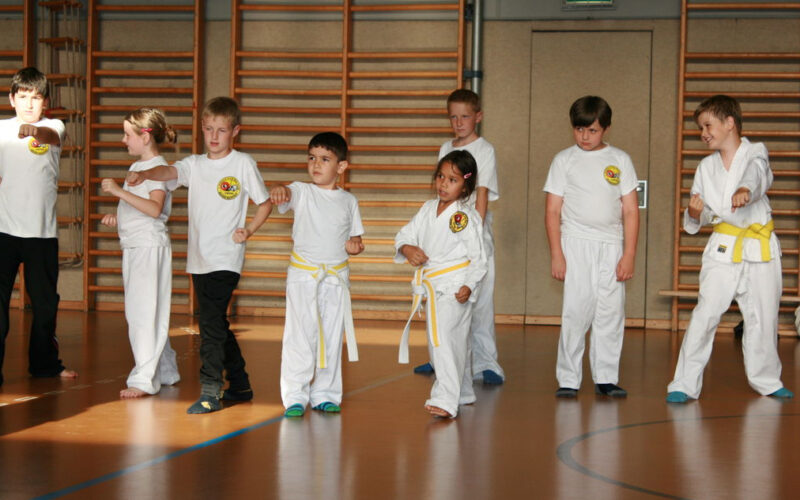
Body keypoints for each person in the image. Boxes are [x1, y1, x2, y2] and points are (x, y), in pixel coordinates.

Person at [127, 97, 272, 413]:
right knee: (216, 322)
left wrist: (248, 230)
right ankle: (241, 384)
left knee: (208, 325)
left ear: (235, 131)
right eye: (209, 129)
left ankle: (210, 390)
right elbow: (168, 172)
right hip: (200, 259)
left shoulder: (243, 164)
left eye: (221, 130)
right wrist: (146, 174)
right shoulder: (194, 165)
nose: (215, 136)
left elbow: (265, 202)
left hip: (226, 258)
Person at [666, 95, 793, 403]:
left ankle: (767, 380)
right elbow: (704, 212)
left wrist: (746, 189)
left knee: (763, 316)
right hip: (723, 248)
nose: (703, 133)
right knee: (705, 313)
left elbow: (758, 175)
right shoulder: (705, 167)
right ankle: (683, 383)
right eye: (700, 128)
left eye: (708, 125)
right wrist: (695, 214)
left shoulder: (755, 152)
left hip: (759, 248)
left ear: (729, 123)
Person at [543, 95, 638, 399]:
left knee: (610, 313)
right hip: (576, 243)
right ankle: (569, 378)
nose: (585, 137)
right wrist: (557, 254)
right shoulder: (563, 160)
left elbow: (631, 211)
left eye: (592, 130)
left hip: (611, 245)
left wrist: (629, 254)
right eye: (579, 130)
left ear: (606, 129)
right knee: (576, 311)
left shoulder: (620, 160)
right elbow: (553, 211)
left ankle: (606, 377)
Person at [270, 132, 364, 418]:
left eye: (325, 159)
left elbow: (356, 239)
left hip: (336, 278)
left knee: (332, 335)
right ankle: (295, 395)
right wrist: (278, 189)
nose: (316, 165)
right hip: (303, 275)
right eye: (312, 158)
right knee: (300, 335)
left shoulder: (349, 201)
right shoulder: (301, 190)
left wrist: (355, 246)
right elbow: (283, 193)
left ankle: (325, 393)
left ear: (341, 166)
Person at [414, 88, 505, 385]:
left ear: (478, 117)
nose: (459, 122)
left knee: (477, 300)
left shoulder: (484, 150)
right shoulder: (445, 147)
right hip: (445, 236)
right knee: (440, 297)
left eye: (465, 116)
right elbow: (443, 188)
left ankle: (486, 362)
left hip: (472, 232)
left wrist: (472, 235)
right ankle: (436, 355)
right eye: (453, 117)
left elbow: (480, 194)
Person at [0, 67, 78, 386]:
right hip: (4, 232)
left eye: (35, 98)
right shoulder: (2, 129)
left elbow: (51, 138)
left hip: (41, 235)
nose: (29, 104)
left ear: (45, 101)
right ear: (11, 99)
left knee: (45, 306)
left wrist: (33, 132)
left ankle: (45, 365)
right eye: (23, 97)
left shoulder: (52, 126)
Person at [395, 150, 487, 418]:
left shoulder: (463, 218)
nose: (444, 184)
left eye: (453, 180)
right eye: (441, 177)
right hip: (434, 286)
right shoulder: (427, 209)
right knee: (454, 341)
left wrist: (469, 286)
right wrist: (407, 248)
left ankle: (445, 399)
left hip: (454, 286)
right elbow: (404, 234)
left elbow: (478, 259)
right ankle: (464, 391)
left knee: (442, 341)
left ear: (465, 186)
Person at [100, 107, 181, 398]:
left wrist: (118, 193)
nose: (124, 140)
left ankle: (144, 380)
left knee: (143, 314)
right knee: (148, 311)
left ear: (145, 136)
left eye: (127, 134)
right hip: (136, 245)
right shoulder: (137, 167)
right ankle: (167, 369)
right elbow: (139, 208)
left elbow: (155, 209)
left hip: (148, 248)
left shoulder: (157, 167)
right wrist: (118, 216)